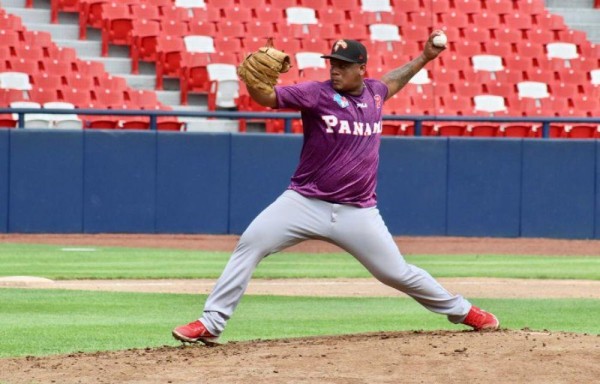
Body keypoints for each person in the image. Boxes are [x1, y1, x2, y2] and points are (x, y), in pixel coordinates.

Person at [172, 31, 499, 345]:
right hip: (303, 202)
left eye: (343, 64)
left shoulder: (374, 93)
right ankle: (211, 323)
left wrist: (425, 57)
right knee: (250, 244)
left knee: (396, 273)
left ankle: (465, 312)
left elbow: (395, 79)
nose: (336, 69)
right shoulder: (316, 94)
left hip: (358, 212)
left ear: (361, 69)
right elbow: (269, 97)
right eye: (333, 63)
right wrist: (253, 84)